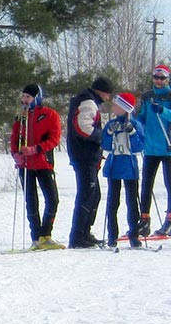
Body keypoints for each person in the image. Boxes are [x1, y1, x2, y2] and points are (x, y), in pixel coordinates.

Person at [10, 84, 64, 250]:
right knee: (31, 201)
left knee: (52, 199)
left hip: (43, 162)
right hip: (26, 165)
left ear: (37, 98)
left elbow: (54, 138)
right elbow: (14, 138)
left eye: (29, 97)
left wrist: (36, 149)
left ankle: (45, 234)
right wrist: (16, 154)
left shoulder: (49, 115)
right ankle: (35, 236)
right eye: (24, 96)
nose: (25, 100)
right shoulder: (22, 117)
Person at [67, 76, 115, 248]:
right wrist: (101, 137)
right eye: (108, 94)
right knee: (88, 194)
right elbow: (83, 127)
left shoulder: (84, 100)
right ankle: (78, 236)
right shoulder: (89, 102)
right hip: (85, 155)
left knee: (94, 195)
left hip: (83, 154)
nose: (108, 98)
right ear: (102, 92)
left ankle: (85, 232)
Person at [103, 92, 145, 248]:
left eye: (116, 105)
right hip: (114, 167)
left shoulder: (135, 124)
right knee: (113, 202)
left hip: (129, 168)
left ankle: (134, 235)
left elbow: (139, 147)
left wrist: (132, 132)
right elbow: (105, 146)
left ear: (125, 108)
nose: (113, 107)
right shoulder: (111, 124)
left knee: (132, 202)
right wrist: (108, 133)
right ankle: (111, 236)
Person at [137, 64, 171, 236]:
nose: (158, 81)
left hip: (168, 147)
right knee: (146, 184)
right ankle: (144, 219)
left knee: (169, 184)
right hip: (150, 147)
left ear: (167, 79)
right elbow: (141, 117)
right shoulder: (147, 96)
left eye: (162, 78)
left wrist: (163, 110)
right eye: (156, 77)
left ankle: (169, 221)